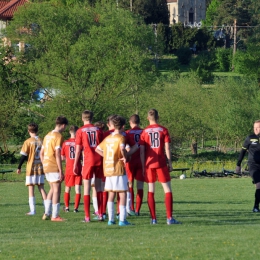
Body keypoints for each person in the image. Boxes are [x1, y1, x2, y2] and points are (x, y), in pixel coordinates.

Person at [139, 109, 181, 225]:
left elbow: (142, 151)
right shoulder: (163, 130)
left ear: (148, 118)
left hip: (149, 164)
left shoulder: (144, 132)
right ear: (158, 117)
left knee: (151, 190)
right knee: (167, 190)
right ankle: (169, 218)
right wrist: (170, 163)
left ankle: (153, 219)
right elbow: (167, 148)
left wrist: (143, 166)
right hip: (161, 162)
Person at [95, 115, 132, 226]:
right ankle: (122, 219)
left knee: (111, 193)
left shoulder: (108, 138)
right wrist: (125, 156)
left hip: (108, 168)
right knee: (122, 193)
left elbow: (97, 149)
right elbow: (122, 148)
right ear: (123, 126)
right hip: (118, 168)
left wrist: (106, 156)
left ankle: (111, 220)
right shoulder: (120, 137)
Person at [73, 110, 103, 223]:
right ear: (92, 118)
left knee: (86, 188)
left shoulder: (80, 131)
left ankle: (87, 217)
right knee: (99, 188)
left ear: (82, 118)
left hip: (88, 160)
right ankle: (100, 214)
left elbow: (78, 149)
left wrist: (76, 164)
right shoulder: (99, 130)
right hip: (99, 159)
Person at [40, 116, 68, 221]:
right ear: (63, 125)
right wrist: (61, 170)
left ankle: (47, 213)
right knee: (57, 190)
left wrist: (44, 164)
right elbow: (57, 153)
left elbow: (41, 153)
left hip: (46, 165)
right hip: (53, 165)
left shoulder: (47, 135)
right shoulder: (58, 136)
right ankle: (55, 215)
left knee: (52, 189)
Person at [17, 123, 47, 215]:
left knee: (31, 188)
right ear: (37, 130)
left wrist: (19, 167)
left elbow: (23, 156)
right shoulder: (43, 141)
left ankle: (33, 210)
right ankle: (47, 209)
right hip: (40, 167)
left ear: (29, 131)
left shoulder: (28, 141)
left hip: (31, 168)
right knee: (41, 188)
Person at [236, 120, 260, 212]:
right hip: (253, 166)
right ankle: (256, 207)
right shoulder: (250, 138)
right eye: (255, 128)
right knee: (259, 185)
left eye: (258, 127)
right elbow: (242, 152)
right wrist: (238, 165)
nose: (256, 129)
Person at [125, 114, 144, 216]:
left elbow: (125, 146)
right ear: (139, 122)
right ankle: (137, 210)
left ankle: (131, 208)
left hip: (130, 161)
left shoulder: (127, 133)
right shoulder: (143, 132)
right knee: (140, 186)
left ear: (130, 122)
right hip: (141, 161)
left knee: (130, 185)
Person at [61, 125, 82, 213]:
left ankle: (66, 207)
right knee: (78, 189)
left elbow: (62, 157)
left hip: (69, 168)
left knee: (67, 188)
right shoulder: (80, 143)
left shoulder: (65, 143)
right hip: (78, 168)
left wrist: (68, 159)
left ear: (70, 132)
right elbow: (82, 156)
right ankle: (76, 208)